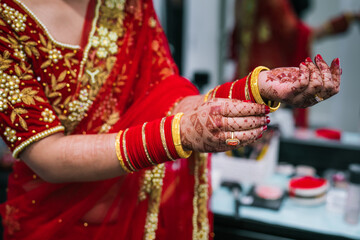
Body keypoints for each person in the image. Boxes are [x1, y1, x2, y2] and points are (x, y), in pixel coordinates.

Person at [0, 0, 341, 239]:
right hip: (52, 223)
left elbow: (168, 101)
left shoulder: (127, 3)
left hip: (133, 213)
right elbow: (45, 154)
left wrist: (258, 89)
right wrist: (179, 135)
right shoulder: (6, 19)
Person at [230, 0, 358, 127]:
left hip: (246, 76)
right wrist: (343, 21)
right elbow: (297, 34)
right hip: (265, 83)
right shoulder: (275, 4)